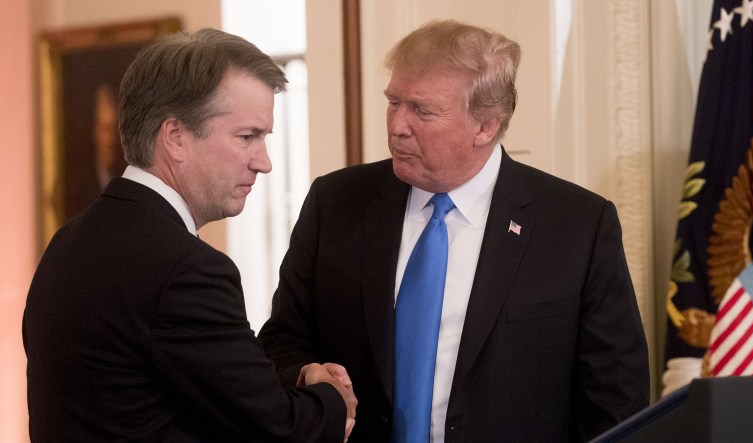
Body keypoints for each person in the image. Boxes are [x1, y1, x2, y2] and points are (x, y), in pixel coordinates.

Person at [258, 19, 649, 442]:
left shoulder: (576, 225)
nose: (396, 125)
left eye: (422, 110)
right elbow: (282, 338)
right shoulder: (336, 202)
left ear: (486, 126)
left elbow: (616, 401)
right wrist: (306, 372)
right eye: (394, 102)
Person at [23, 28, 356, 442]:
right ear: (176, 137)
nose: (264, 163)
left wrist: (298, 377)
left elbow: (214, 386)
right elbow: (277, 431)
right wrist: (333, 398)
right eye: (247, 136)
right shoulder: (186, 269)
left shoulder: (68, 241)